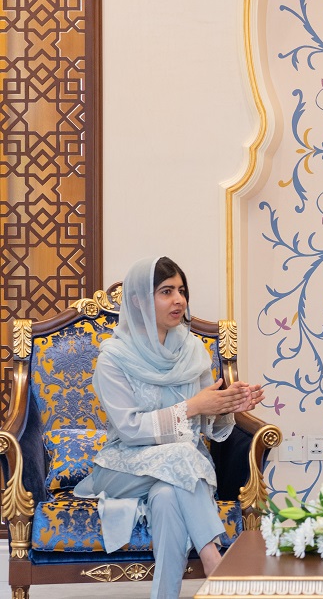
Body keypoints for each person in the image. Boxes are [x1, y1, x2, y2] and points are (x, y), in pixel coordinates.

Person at [75, 256, 265, 599]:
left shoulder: (193, 351)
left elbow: (208, 426)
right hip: (123, 467)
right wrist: (193, 406)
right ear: (139, 301)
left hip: (180, 471)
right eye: (166, 291)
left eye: (181, 290)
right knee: (180, 455)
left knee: (166, 497)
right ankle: (214, 559)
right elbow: (130, 429)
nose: (179, 300)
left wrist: (229, 406)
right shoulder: (113, 358)